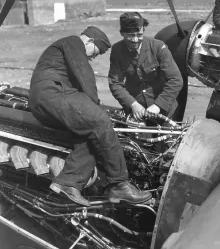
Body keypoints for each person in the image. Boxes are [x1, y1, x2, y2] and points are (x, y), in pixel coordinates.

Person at [28, 26, 152, 207]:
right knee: (100, 122)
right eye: (96, 52)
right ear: (89, 41)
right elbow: (84, 74)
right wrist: (96, 106)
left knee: (90, 136)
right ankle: (120, 184)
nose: (93, 57)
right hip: (52, 93)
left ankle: (68, 183)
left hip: (47, 100)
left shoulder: (63, 52)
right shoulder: (73, 41)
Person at [108, 12, 183, 150]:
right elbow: (115, 83)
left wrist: (158, 105)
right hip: (137, 112)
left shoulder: (158, 47)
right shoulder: (117, 50)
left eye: (139, 35)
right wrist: (132, 104)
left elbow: (176, 80)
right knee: (137, 150)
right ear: (122, 33)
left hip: (164, 110)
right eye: (130, 35)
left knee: (166, 151)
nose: (135, 40)